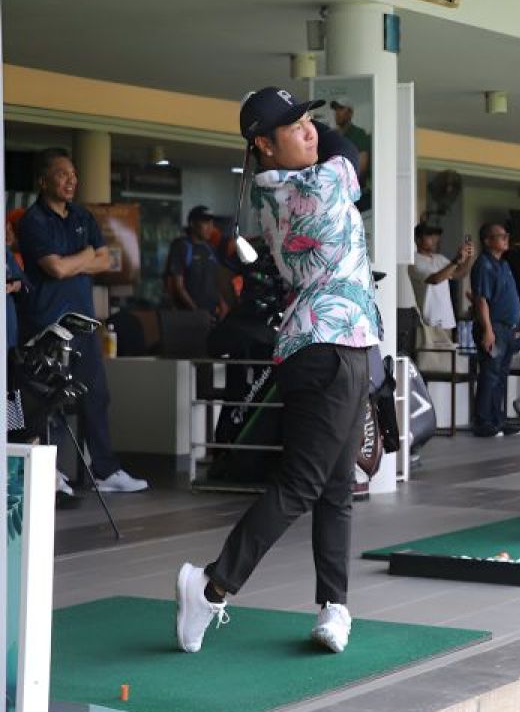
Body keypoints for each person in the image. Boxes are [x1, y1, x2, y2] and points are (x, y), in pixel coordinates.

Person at [174, 86, 381, 656]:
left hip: (344, 342)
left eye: (310, 120)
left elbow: (331, 147)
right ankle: (211, 584)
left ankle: (334, 606)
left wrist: (309, 120)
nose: (311, 130)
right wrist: (342, 123)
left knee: (337, 485)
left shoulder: (274, 186)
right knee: (304, 484)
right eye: (295, 126)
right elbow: (349, 154)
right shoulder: (314, 185)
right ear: (264, 145)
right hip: (328, 348)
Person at [18, 148, 149, 494]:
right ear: (43, 180)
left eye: (73, 174)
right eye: (62, 174)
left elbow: (105, 259)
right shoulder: (33, 221)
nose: (71, 180)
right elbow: (54, 268)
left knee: (96, 395)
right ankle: (52, 473)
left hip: (83, 321)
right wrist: (85, 256)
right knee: (48, 401)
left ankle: (105, 471)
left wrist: (79, 260)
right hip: (46, 324)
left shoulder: (82, 216)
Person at [470, 221, 520, 438]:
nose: (506, 239)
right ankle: (483, 422)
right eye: (501, 236)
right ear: (487, 241)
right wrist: (487, 330)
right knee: (490, 376)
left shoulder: (503, 264)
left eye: (506, 235)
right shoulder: (484, 264)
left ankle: (497, 420)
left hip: (507, 329)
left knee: (500, 376)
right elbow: (481, 300)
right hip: (494, 328)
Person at [408, 221, 472, 344]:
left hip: (447, 319)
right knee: (429, 360)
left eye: (435, 236)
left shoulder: (440, 258)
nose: (435, 239)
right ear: (417, 239)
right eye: (430, 236)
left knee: (447, 359)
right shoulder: (413, 260)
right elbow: (435, 279)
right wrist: (455, 261)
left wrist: (468, 258)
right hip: (428, 320)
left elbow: (459, 274)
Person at [164, 205, 223, 317]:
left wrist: (222, 304)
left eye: (212, 223)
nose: (210, 227)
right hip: (190, 316)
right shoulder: (181, 246)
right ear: (192, 223)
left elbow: (214, 282)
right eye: (206, 223)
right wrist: (196, 312)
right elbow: (178, 286)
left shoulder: (210, 249)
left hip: (212, 315)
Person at [330, 97, 371, 210]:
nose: (337, 113)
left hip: (355, 194)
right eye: (336, 109)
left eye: (341, 109)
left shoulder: (359, 134)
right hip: (333, 194)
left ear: (350, 113)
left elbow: (362, 167)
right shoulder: (331, 135)